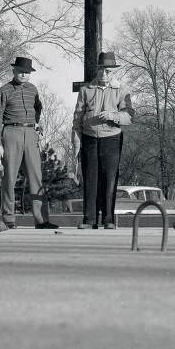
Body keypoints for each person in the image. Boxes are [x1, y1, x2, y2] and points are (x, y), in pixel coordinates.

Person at [0, 56, 58, 231]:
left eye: (27, 72)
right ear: (14, 71)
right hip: (10, 133)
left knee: (36, 177)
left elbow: (38, 107)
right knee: (9, 178)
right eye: (21, 71)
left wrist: (36, 122)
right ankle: (8, 219)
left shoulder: (33, 89)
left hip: (30, 133)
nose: (24, 74)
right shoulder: (3, 91)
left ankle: (42, 220)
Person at [71, 51, 134, 229]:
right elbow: (77, 119)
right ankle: (89, 219)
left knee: (109, 179)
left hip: (112, 139)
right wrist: (76, 143)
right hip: (89, 139)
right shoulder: (85, 90)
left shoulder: (122, 90)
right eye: (102, 70)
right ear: (97, 70)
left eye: (109, 71)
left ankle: (108, 219)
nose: (105, 74)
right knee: (90, 179)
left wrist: (113, 116)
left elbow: (129, 116)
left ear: (114, 72)